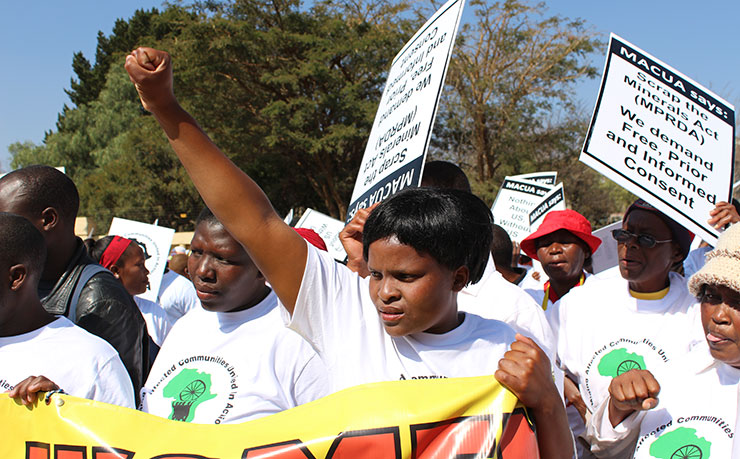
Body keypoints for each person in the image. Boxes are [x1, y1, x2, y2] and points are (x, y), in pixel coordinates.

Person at [125, 47, 573, 456]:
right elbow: (254, 220)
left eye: (407, 277)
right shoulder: (344, 311)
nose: (384, 293)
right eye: (376, 274)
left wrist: (548, 403)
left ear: (458, 278)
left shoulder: (505, 350)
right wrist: (165, 108)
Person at [139, 208, 328, 424]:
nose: (202, 271)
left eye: (223, 259)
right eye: (197, 252)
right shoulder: (185, 326)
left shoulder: (298, 339)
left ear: (262, 266)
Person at [553, 199, 703, 456]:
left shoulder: (697, 312)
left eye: (646, 239)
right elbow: (548, 363)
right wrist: (574, 396)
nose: (629, 245)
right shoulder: (580, 302)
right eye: (624, 234)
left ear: (677, 252)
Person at [585, 222, 740, 457]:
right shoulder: (680, 371)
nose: (718, 316)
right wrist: (619, 409)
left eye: (737, 303)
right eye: (711, 296)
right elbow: (605, 447)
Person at [0, 166, 148, 400]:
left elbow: (114, 402)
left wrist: (59, 402)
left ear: (48, 219)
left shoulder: (99, 298)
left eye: (7, 217)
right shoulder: (25, 287)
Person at [89, 236, 172, 349]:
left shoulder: (154, 312)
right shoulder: (91, 316)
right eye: (140, 265)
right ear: (115, 271)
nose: (147, 271)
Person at [520, 209, 601, 315]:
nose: (554, 250)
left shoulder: (604, 295)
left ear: (585, 251)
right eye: (546, 244)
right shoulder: (526, 301)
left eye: (565, 242)